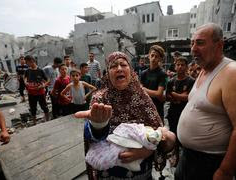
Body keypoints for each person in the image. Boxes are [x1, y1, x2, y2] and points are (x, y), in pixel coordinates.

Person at [175, 23, 236, 180]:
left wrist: (225, 171)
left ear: (219, 45)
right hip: (188, 159)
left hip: (210, 164)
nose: (193, 48)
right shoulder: (204, 70)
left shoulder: (235, 73)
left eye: (200, 43)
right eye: (192, 43)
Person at [75, 52, 175, 180]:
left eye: (123, 64)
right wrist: (98, 126)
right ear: (108, 73)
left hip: (141, 173)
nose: (119, 69)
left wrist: (145, 151)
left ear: (131, 71)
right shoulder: (99, 98)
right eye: (113, 66)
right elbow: (93, 139)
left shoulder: (142, 97)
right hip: (109, 173)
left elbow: (159, 134)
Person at [141, 45, 167, 120]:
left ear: (160, 59)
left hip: (157, 108)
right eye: (152, 55)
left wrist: (143, 89)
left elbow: (159, 94)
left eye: (157, 56)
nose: (153, 58)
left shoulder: (163, 74)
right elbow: (140, 92)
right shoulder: (143, 73)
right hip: (145, 107)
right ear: (148, 56)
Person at [24, 55, 50, 124]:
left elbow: (47, 80)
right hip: (31, 93)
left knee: (44, 106)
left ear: (32, 61)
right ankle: (34, 122)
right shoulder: (27, 71)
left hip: (40, 93)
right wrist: (25, 82)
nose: (26, 64)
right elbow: (25, 78)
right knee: (33, 108)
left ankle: (47, 120)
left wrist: (43, 85)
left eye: (27, 62)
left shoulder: (40, 70)